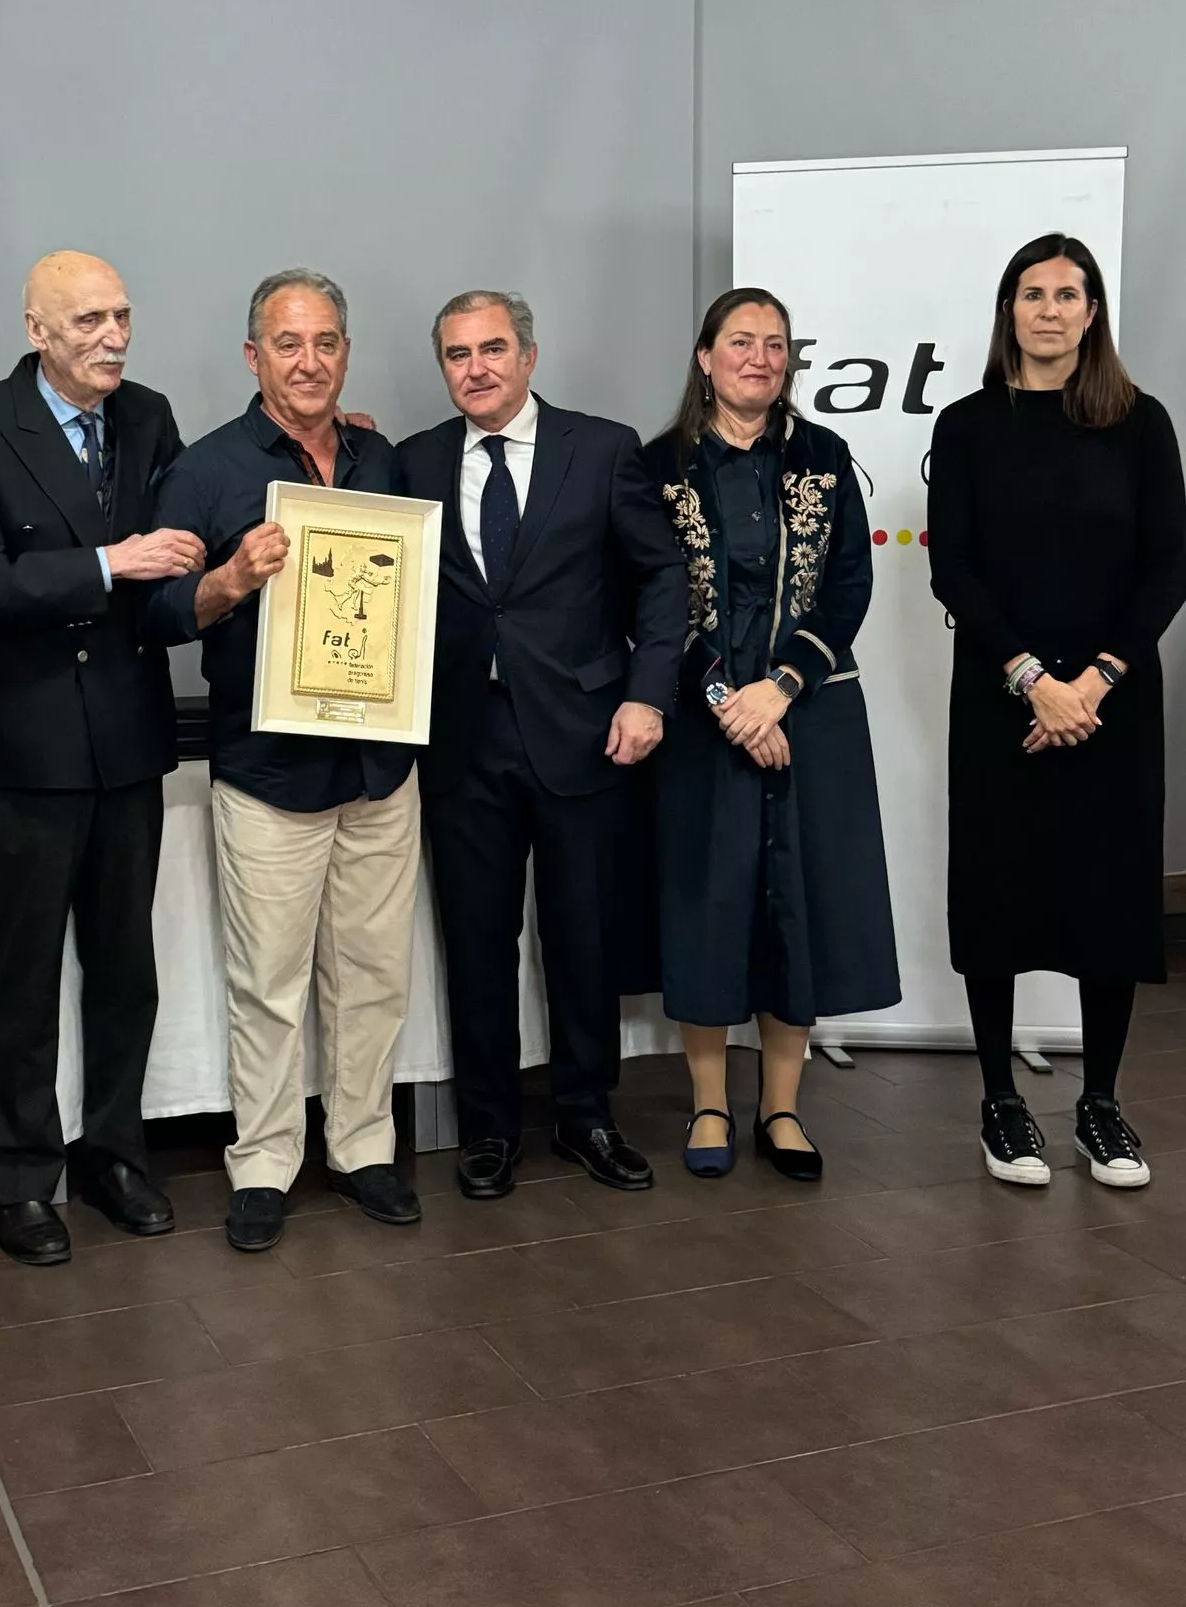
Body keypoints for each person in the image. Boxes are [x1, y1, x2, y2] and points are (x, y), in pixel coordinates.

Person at [0, 252, 202, 1264]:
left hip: (128, 737)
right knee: (23, 975)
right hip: (31, 745)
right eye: (89, 321)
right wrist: (108, 563)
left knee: (126, 970)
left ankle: (117, 1155)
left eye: (122, 315)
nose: (113, 336)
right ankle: (22, 1175)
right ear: (37, 330)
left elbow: (189, 536)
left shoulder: (148, 415)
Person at [150, 270, 422, 1253]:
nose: (309, 361)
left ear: (346, 351)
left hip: (379, 769)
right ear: (253, 355)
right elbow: (159, 611)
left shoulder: (382, 459)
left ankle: (362, 1147)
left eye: (326, 341)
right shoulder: (205, 469)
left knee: (373, 975)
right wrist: (230, 578)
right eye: (288, 342)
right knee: (268, 983)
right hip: (269, 774)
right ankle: (264, 1162)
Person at [396, 291, 684, 1202]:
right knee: (477, 943)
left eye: (492, 349)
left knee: (583, 940)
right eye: (457, 355)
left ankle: (587, 1115)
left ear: (528, 356)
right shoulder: (412, 462)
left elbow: (662, 576)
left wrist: (648, 696)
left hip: (587, 734)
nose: (475, 369)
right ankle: (488, 1128)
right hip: (462, 742)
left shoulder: (601, 449)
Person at [928, 234, 1186, 1191]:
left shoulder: (1141, 422)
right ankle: (1001, 1101)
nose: (1049, 310)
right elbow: (954, 567)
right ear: (1010, 309)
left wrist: (1094, 682)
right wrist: (1035, 680)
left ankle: (1100, 1103)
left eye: (1067, 294)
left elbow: (1169, 564)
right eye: (1032, 294)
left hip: (1113, 701)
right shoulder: (967, 425)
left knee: (1110, 895)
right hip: (1003, 699)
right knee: (997, 891)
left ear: (1092, 312)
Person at [644, 289, 899, 1182]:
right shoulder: (659, 467)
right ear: (705, 357)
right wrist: (729, 701)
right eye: (740, 342)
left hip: (811, 710)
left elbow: (850, 586)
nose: (759, 358)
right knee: (708, 905)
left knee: (800, 902)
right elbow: (653, 598)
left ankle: (782, 1108)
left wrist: (781, 688)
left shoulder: (824, 456)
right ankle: (711, 1103)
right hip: (704, 717)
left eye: (775, 344)